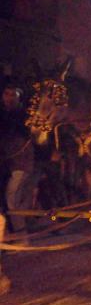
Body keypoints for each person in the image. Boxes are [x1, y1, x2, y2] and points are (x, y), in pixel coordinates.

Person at [0, 84, 34, 238]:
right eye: (6, 94)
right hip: (7, 163)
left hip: (20, 163)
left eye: (13, 94)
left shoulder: (24, 116)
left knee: (12, 198)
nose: (9, 98)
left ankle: (21, 235)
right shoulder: (3, 113)